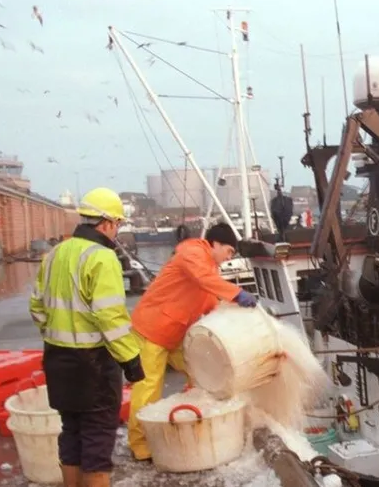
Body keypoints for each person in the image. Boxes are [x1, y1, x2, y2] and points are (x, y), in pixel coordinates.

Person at [29, 187, 145, 487]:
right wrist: (131, 359)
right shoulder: (103, 258)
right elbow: (111, 318)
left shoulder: (54, 254)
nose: (117, 230)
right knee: (97, 442)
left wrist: (55, 335)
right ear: (106, 222)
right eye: (117, 224)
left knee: (72, 434)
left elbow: (37, 307)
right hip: (93, 364)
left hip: (57, 359)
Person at [127, 222, 259, 461]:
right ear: (215, 244)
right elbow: (203, 279)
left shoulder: (209, 267)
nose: (228, 258)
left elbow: (209, 302)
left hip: (173, 332)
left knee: (199, 372)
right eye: (228, 251)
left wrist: (234, 315)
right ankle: (140, 445)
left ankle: (194, 418)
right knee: (147, 389)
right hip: (152, 329)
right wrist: (237, 294)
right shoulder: (193, 253)